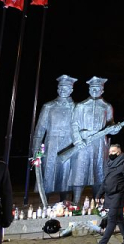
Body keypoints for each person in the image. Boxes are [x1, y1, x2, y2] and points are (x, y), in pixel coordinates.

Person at [31, 74, 77, 202]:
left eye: (66, 88)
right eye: (61, 87)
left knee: (66, 176)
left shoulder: (77, 108)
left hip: (69, 144)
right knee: (48, 175)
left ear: (71, 90)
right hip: (51, 144)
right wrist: (35, 150)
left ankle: (65, 205)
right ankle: (45, 205)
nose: (63, 90)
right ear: (57, 88)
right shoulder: (49, 106)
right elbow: (40, 130)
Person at [70, 76, 115, 206]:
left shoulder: (107, 106)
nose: (95, 91)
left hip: (100, 143)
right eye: (92, 88)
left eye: (98, 88)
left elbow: (110, 126)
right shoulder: (81, 106)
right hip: (84, 141)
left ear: (102, 90)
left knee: (99, 173)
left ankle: (98, 203)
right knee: (80, 172)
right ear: (89, 89)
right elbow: (74, 125)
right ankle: (75, 202)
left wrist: (115, 128)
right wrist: (78, 140)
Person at [91, 144, 124, 244]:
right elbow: (105, 181)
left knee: (112, 219)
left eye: (113, 152)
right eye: (109, 152)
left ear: (119, 152)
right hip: (109, 195)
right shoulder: (109, 164)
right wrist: (99, 194)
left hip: (119, 195)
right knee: (119, 218)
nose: (110, 154)